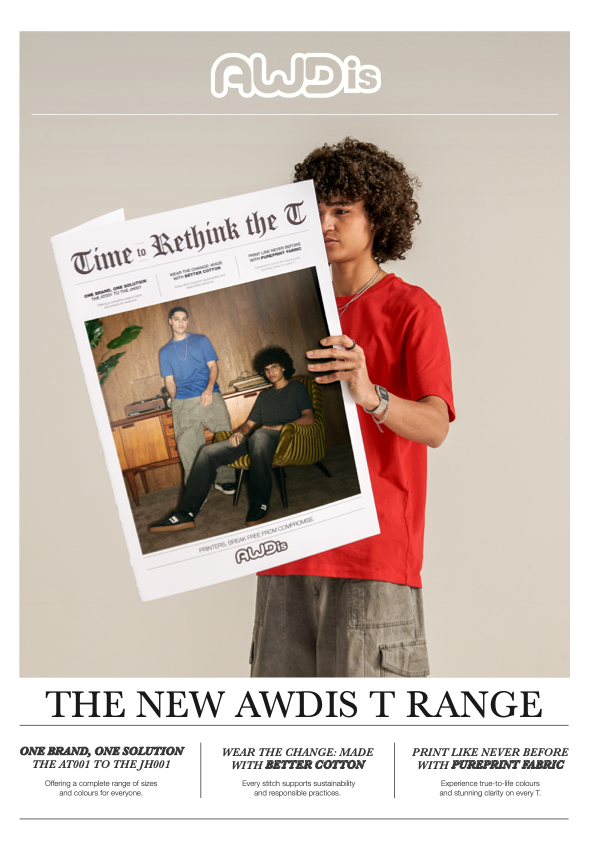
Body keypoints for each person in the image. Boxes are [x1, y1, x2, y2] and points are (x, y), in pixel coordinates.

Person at [249, 138, 456, 678]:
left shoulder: (413, 309)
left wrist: (370, 395)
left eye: (342, 210)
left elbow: (436, 426)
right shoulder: (287, 304)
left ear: (377, 218)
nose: (325, 224)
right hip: (286, 549)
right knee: (280, 751)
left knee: (368, 747)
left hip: (375, 556)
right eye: (315, 211)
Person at [149, 346, 314, 532]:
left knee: (260, 435)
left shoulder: (296, 388)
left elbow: (309, 418)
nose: (270, 372)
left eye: (274, 367)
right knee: (208, 451)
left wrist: (280, 427)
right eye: (267, 369)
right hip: (257, 438)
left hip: (284, 436)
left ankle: (259, 504)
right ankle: (186, 513)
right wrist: (240, 433)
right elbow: (249, 424)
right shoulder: (265, 395)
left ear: (283, 367)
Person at [159, 306, 235, 494]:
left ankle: (225, 479)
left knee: (224, 435)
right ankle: (199, 490)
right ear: (170, 321)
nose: (181, 323)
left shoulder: (201, 340)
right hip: (183, 401)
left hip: (208, 395)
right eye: (176, 319)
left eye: (184, 319)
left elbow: (213, 367)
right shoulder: (165, 351)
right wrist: (176, 401)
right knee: (188, 447)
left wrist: (209, 389)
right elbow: (169, 381)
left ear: (188, 321)